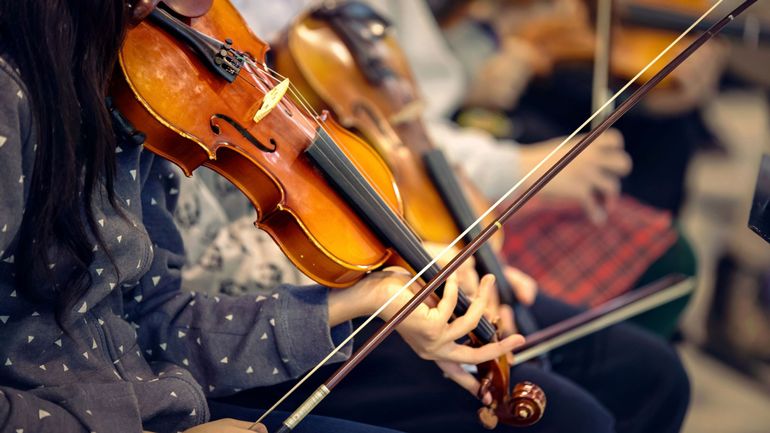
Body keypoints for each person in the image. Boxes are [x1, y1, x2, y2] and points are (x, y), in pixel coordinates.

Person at [0, 1, 522, 432]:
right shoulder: (14, 96)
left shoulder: (137, 77)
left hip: (159, 401)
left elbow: (154, 321)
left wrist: (367, 296)